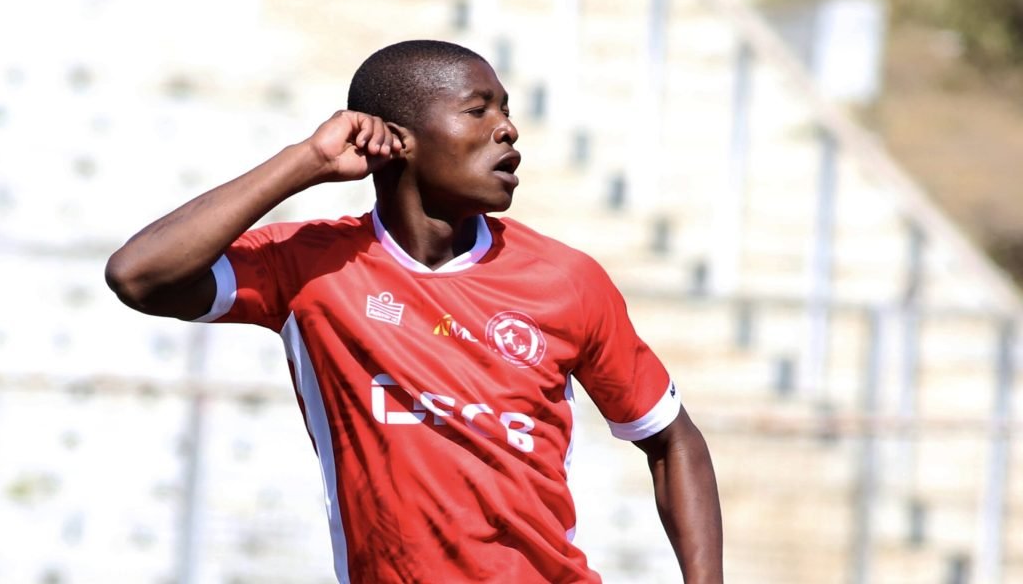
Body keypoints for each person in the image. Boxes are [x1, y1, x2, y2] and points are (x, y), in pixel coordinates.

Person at [105, 39, 722, 583]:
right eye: (479, 109)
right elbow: (139, 275)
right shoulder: (308, 268)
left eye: (506, 110)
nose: (507, 129)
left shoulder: (567, 280)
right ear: (397, 137)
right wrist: (305, 163)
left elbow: (672, 440)